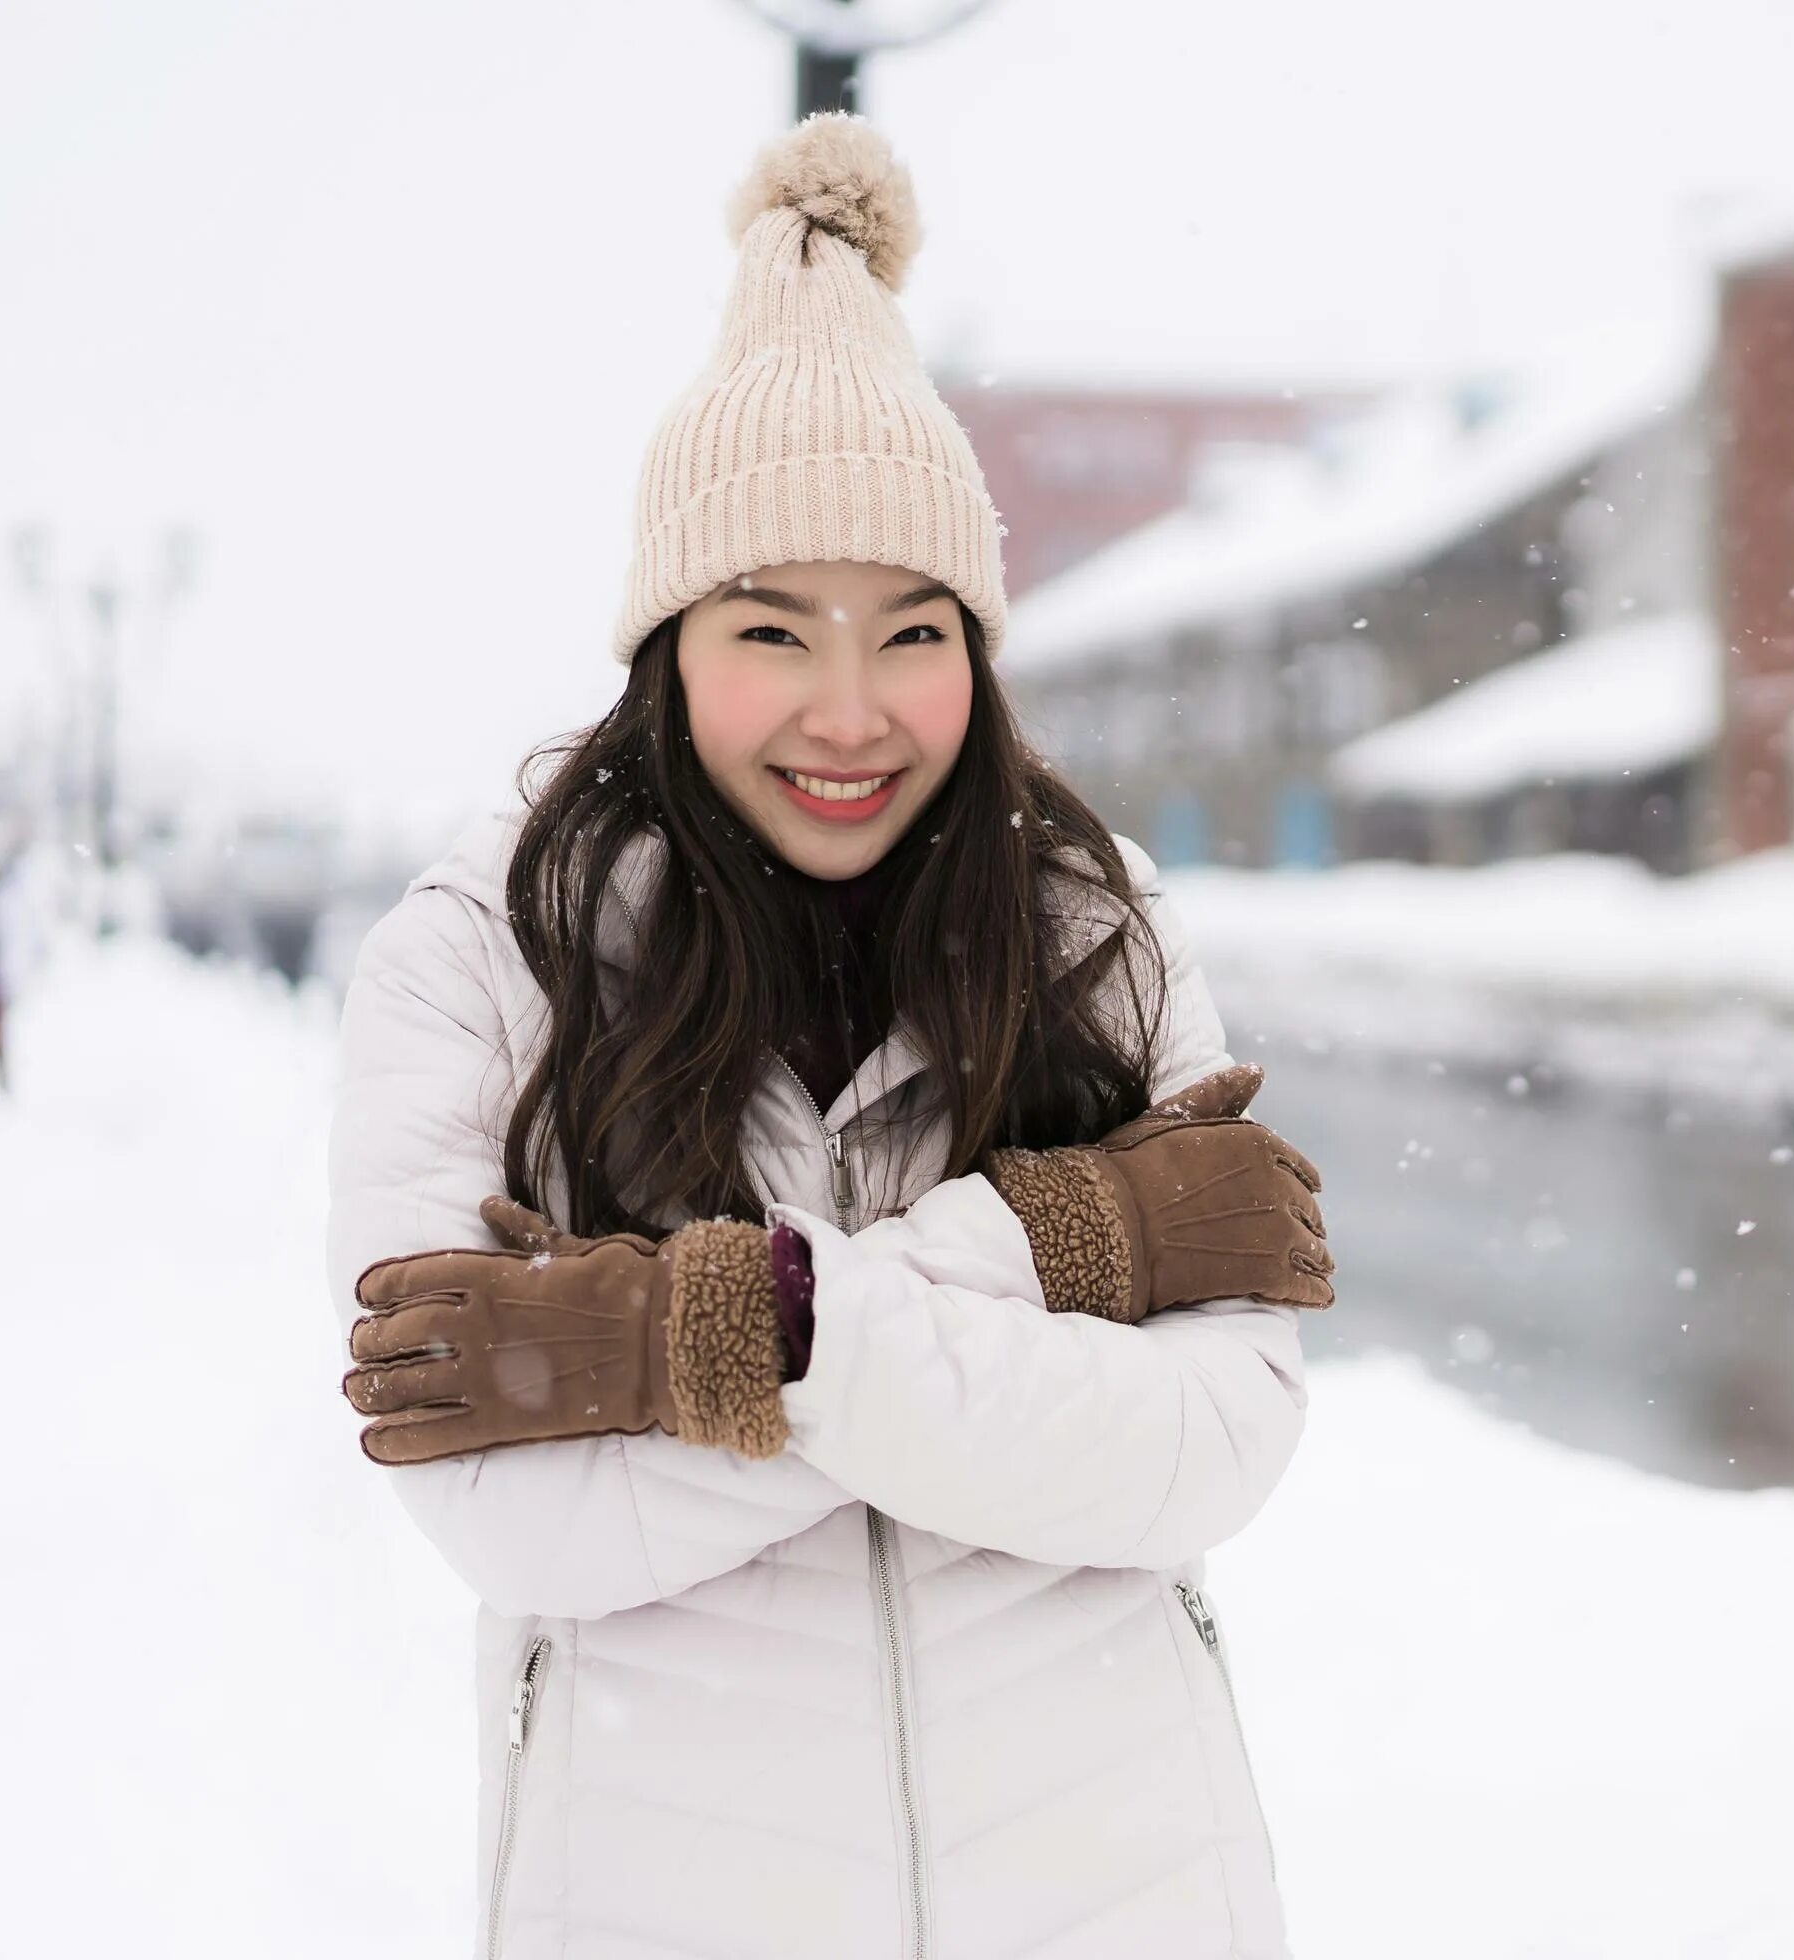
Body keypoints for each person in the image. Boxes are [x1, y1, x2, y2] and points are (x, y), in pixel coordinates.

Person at [326, 113, 1333, 1958]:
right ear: (670, 642)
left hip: (1125, 1891)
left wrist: (702, 1334)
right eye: (775, 629)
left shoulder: (1090, 931)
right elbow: (507, 1505)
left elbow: (1213, 1448)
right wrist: (1045, 1247)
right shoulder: (481, 960)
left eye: (917, 631)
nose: (853, 712)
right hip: (662, 1898)